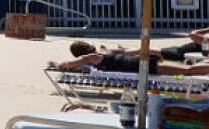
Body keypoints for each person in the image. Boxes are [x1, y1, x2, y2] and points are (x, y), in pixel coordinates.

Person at [51, 40, 209, 76]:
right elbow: (131, 51)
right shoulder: (105, 51)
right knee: (187, 69)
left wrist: (56, 63)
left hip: (138, 66)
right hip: (139, 61)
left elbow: (69, 64)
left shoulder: (91, 57)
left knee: (187, 70)